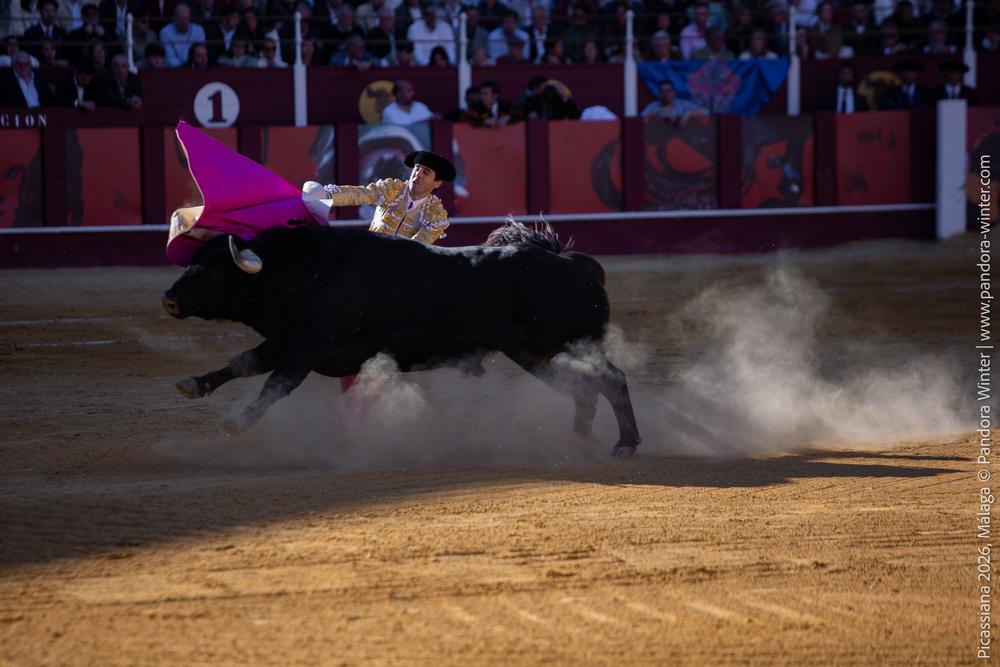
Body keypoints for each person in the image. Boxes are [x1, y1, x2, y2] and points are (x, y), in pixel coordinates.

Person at [302, 150, 455, 245]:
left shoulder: (435, 215)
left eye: (426, 172)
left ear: (437, 183)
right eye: (417, 169)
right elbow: (360, 194)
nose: (418, 175)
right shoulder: (392, 189)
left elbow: (416, 248)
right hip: (369, 256)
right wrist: (328, 195)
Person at [641, 79, 707, 125]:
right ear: (659, 94)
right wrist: (660, 111)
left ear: (674, 92)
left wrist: (689, 113)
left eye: (668, 90)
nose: (665, 93)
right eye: (662, 91)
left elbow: (706, 112)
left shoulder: (683, 104)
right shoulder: (653, 106)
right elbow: (640, 120)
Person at [159, 2, 205, 67]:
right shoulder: (165, 32)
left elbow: (199, 55)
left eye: (186, 18)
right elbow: (169, 57)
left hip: (195, 69)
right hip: (173, 71)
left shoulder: (199, 30)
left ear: (190, 18)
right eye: (180, 18)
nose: (184, 22)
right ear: (174, 18)